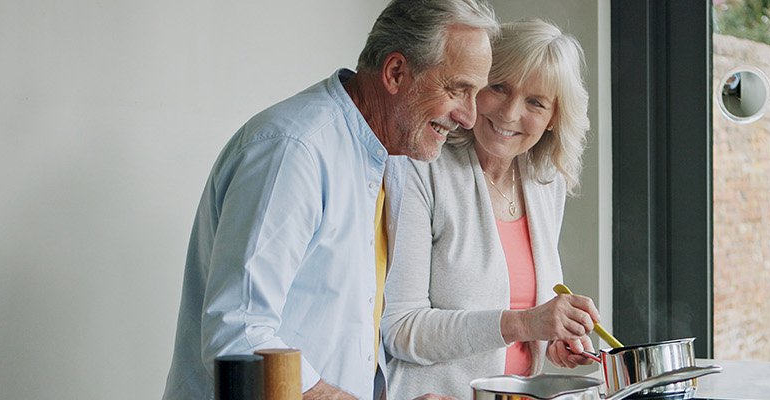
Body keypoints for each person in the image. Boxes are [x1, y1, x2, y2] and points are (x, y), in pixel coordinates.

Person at [161, 1, 498, 399]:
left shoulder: (391, 158)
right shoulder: (293, 150)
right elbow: (240, 336)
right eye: (458, 90)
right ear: (395, 73)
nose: (470, 117)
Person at [381, 19, 597, 398]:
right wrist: (527, 324)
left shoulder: (546, 182)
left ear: (553, 119)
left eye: (535, 102)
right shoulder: (420, 169)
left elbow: (519, 309)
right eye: (499, 87)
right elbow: (401, 329)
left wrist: (552, 340)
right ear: (475, 86)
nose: (510, 113)